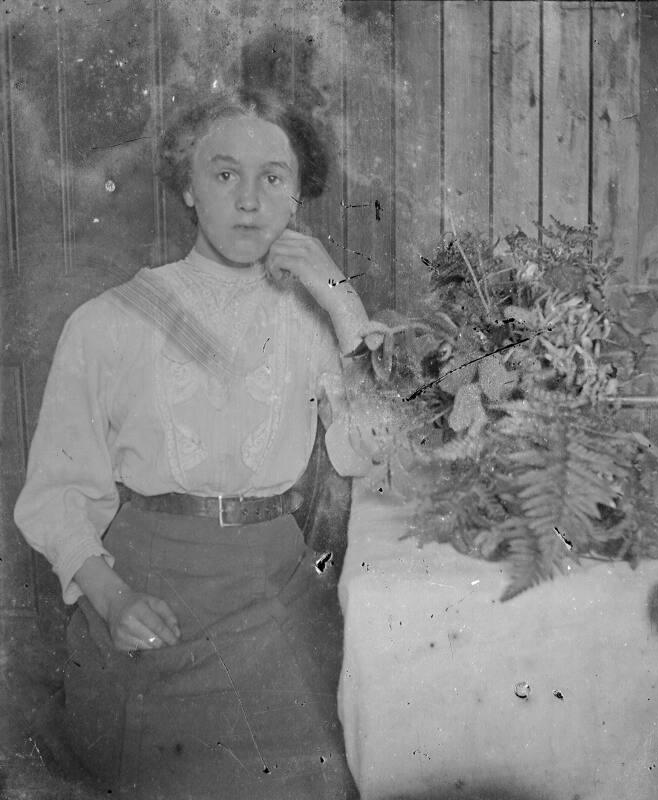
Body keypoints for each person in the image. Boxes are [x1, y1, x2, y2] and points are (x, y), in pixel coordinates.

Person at [14, 86, 375, 799]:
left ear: (297, 198)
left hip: (274, 598)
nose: (248, 200)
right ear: (187, 186)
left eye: (273, 177)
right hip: (149, 589)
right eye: (223, 174)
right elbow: (56, 497)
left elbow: (366, 450)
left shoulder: (313, 324)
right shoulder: (107, 322)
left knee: (314, 774)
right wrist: (115, 602)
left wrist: (343, 302)